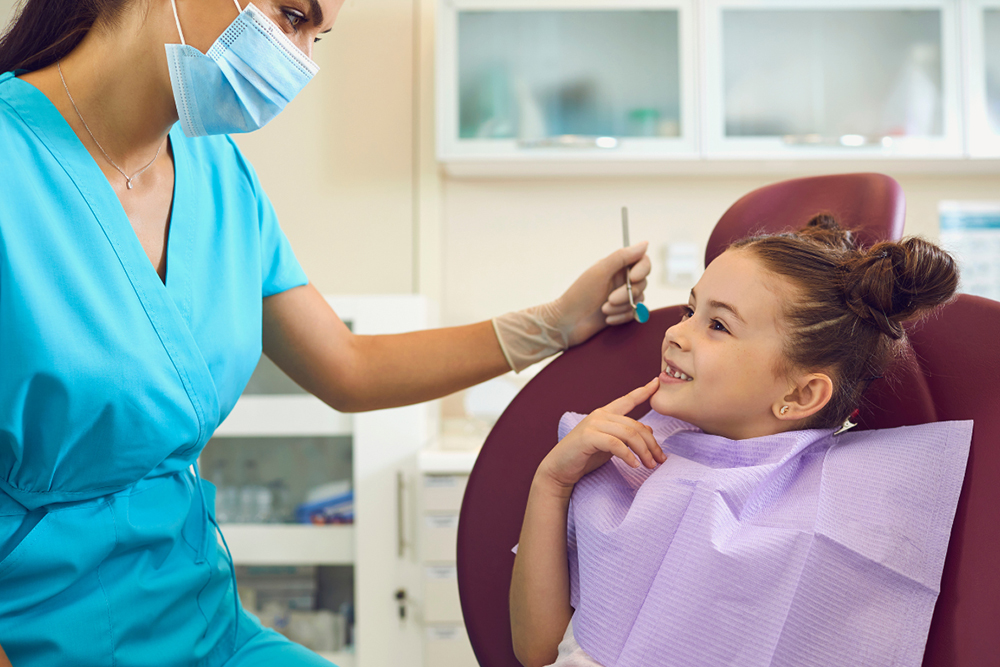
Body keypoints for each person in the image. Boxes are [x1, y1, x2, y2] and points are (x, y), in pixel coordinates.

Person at [0, 0, 651, 664]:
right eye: (290, 16)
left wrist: (552, 324)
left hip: (199, 626)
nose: (299, 60)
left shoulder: (218, 174)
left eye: (319, 37)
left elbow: (346, 365)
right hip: (37, 635)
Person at [510, 216, 970, 667]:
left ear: (801, 393)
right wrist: (551, 483)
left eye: (718, 326)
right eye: (692, 310)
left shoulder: (828, 521)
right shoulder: (626, 455)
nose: (674, 331)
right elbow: (537, 651)